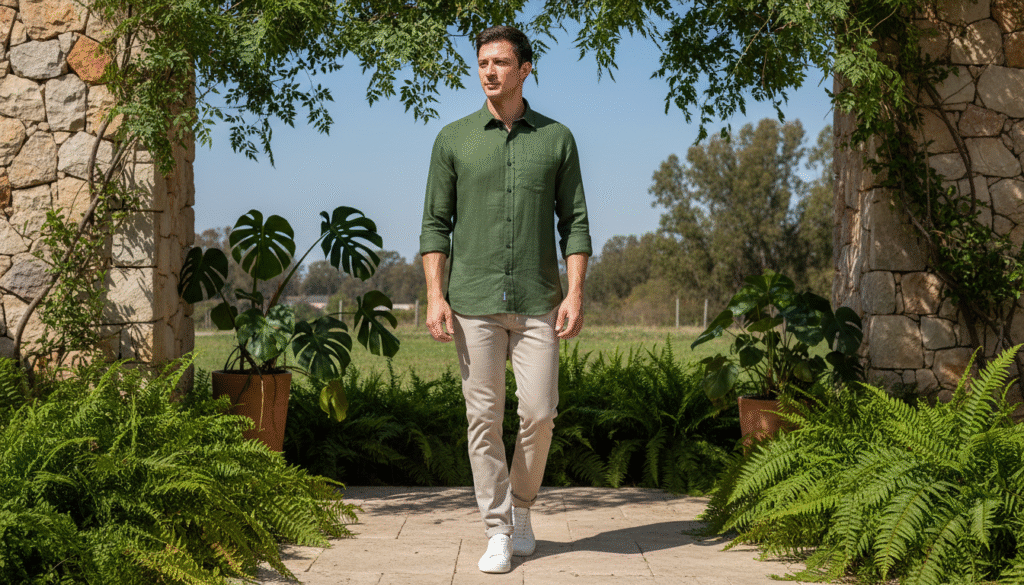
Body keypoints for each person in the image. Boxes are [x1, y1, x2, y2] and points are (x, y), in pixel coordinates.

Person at [419, 24, 592, 574]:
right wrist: (434, 296)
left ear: (525, 68)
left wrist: (576, 293)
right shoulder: (454, 139)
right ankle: (497, 527)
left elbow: (577, 223)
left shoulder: (557, 139)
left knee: (540, 413)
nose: (489, 71)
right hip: (471, 302)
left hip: (540, 298)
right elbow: (434, 226)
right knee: (482, 419)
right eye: (482, 63)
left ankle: (522, 506)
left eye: (500, 62)